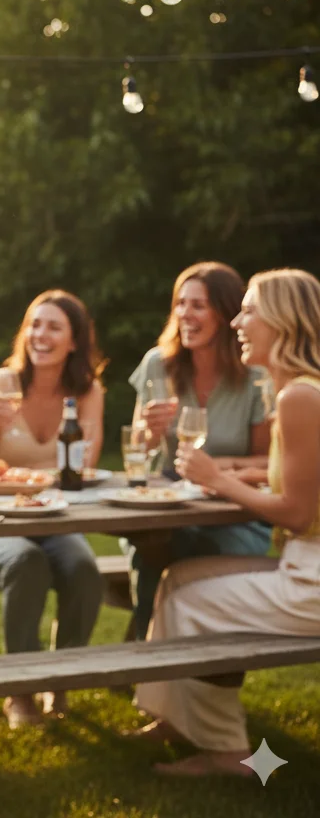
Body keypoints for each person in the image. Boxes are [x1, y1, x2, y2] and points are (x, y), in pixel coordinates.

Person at [128, 268, 320, 777]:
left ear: (281, 320)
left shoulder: (300, 397)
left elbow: (297, 513)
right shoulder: (301, 390)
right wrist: (234, 475)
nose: (238, 320)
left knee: (194, 603)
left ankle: (227, 753)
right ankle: (172, 717)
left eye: (249, 309)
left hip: (312, 577)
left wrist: (221, 478)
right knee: (177, 580)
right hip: (304, 562)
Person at [0, 289, 106, 728]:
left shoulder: (87, 391)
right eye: (35, 324)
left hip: (53, 520)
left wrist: (31, 474)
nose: (40, 335)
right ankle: (19, 691)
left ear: (74, 342)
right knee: (26, 564)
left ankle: (58, 682)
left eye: (54, 327)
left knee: (84, 571)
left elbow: (86, 462)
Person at [123, 262, 271, 640]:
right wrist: (149, 432)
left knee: (202, 549)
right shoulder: (159, 364)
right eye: (180, 303)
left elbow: (267, 461)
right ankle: (148, 651)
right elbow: (138, 453)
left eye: (198, 305)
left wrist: (216, 469)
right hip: (167, 501)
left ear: (225, 313)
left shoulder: (255, 374)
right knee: (152, 545)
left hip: (233, 507)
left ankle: (201, 665)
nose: (185, 314)